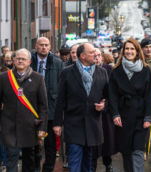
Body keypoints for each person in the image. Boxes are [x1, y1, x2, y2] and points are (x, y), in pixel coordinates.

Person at [53, 43, 108, 172]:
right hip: (74, 124)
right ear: (82, 56)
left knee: (89, 163)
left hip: (93, 124)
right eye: (92, 52)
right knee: (74, 161)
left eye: (95, 52)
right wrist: (57, 124)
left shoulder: (102, 72)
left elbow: (108, 97)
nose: (96, 54)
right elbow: (60, 99)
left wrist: (104, 106)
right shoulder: (67, 72)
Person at [109, 38, 151, 172]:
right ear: (123, 51)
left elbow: (149, 95)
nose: (129, 51)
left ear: (137, 51)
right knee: (126, 151)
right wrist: (115, 113)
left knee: (138, 151)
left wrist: (148, 117)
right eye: (127, 49)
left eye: (132, 49)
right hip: (123, 116)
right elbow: (112, 95)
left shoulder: (145, 70)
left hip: (140, 116)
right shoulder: (116, 71)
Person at [0, 48, 48, 172]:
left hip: (30, 127)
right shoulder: (4, 78)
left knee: (29, 160)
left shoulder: (38, 78)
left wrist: (42, 128)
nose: (20, 61)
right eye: (18, 58)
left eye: (23, 59)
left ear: (29, 61)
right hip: (10, 126)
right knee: (11, 159)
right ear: (14, 60)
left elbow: (43, 105)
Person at [31, 37, 64, 172]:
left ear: (50, 47)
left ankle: (48, 169)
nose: (44, 47)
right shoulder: (29, 61)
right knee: (32, 145)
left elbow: (62, 88)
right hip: (32, 110)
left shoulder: (57, 63)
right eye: (41, 45)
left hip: (51, 110)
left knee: (50, 146)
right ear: (36, 46)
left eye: (46, 45)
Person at [93, 48, 116, 172]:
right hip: (93, 109)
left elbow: (113, 90)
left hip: (106, 110)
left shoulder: (108, 69)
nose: (96, 58)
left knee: (106, 138)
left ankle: (108, 163)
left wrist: (106, 102)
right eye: (94, 55)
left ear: (102, 57)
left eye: (98, 55)